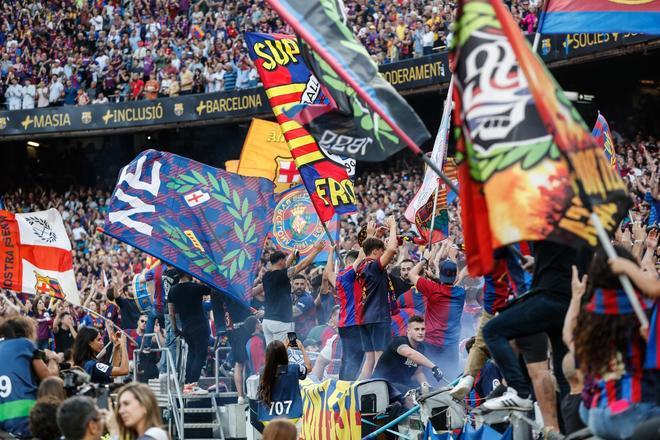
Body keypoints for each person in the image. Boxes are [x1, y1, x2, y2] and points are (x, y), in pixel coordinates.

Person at [482, 241, 591, 415]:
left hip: (549, 297)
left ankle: (519, 392)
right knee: (563, 375)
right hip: (569, 300)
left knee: (492, 331)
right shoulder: (576, 227)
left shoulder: (544, 223)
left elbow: (495, 252)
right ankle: (574, 428)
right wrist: (538, 265)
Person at [574, 247, 659, 440]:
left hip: (595, 413)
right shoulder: (644, 310)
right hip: (632, 411)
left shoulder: (589, 312)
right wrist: (631, 270)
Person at [407, 257, 466, 381]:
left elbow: (411, 274)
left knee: (430, 378)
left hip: (431, 343)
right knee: (450, 381)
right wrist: (434, 278)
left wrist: (424, 259)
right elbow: (450, 286)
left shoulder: (432, 289)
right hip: (451, 345)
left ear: (441, 274)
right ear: (455, 277)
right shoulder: (461, 293)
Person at [0, 315, 60, 438]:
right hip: (25, 416)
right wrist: (54, 359)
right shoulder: (25, 344)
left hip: (3, 420)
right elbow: (49, 379)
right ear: (27, 331)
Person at [356, 215, 399, 380]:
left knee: (370, 359)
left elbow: (367, 248)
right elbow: (392, 249)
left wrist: (374, 236)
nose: (385, 254)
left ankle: (357, 393)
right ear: (375, 252)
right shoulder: (374, 267)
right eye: (381, 251)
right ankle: (378, 393)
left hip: (365, 319)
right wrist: (393, 226)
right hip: (378, 317)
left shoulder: (361, 265)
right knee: (381, 357)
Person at [262, 241, 325, 345]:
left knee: (272, 354)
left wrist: (291, 257)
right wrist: (317, 250)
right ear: (281, 261)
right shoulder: (283, 274)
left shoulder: (266, 276)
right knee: (285, 353)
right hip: (282, 323)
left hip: (267, 322)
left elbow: (283, 269)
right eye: (285, 260)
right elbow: (303, 265)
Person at [372, 315, 443, 396]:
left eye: (423, 329)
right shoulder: (399, 341)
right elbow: (409, 353)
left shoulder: (421, 348)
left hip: (400, 386)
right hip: (382, 385)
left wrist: (426, 386)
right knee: (413, 394)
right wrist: (434, 367)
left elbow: (418, 373)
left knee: (428, 394)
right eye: (416, 329)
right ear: (408, 331)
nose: (420, 332)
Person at [168, 271, 210, 394]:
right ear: (187, 273)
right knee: (200, 354)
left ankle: (187, 384)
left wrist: (175, 329)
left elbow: (171, 313)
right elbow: (210, 288)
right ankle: (193, 384)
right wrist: (200, 276)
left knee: (192, 354)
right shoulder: (196, 287)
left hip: (186, 327)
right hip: (200, 326)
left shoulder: (173, 290)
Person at [257, 339, 311, 423]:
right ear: (284, 354)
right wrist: (302, 348)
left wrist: (280, 349)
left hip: (268, 420)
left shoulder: (263, 372)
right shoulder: (294, 369)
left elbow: (275, 363)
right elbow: (309, 368)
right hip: (292, 417)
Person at [292, 274, 317, 340]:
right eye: (296, 284)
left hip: (306, 335)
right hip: (293, 332)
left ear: (305, 285)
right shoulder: (291, 296)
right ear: (292, 284)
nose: (299, 286)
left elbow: (294, 313)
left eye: (302, 284)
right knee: (290, 349)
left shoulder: (307, 298)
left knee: (296, 349)